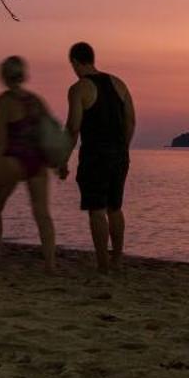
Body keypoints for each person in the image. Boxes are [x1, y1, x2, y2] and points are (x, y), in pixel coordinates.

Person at [59, 41, 134, 274]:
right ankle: (118, 260)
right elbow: (131, 121)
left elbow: (72, 128)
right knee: (115, 208)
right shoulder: (119, 84)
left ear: (74, 62)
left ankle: (103, 264)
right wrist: (123, 147)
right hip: (120, 154)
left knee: (97, 210)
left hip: (95, 156)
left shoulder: (79, 89)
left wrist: (63, 159)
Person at [0, 55, 56, 271]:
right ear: (23, 75)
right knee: (42, 212)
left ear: (3, 76)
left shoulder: (1, 103)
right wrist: (57, 162)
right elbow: (49, 133)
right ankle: (50, 263)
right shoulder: (36, 101)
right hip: (37, 161)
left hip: (14, 159)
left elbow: (0, 140)